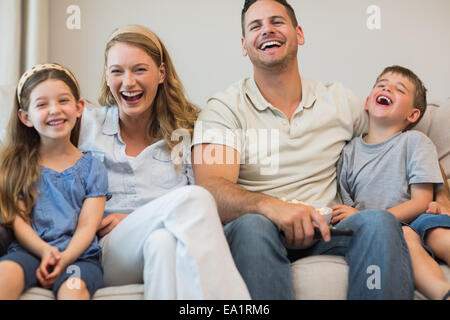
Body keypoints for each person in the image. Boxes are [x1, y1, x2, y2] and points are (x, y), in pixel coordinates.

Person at [192, 0, 414, 299]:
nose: (266, 30)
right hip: (257, 231)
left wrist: (440, 196)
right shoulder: (223, 108)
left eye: (277, 22)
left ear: (299, 34)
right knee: (253, 227)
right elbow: (211, 189)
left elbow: (397, 141)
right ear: (244, 45)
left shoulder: (340, 100)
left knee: (378, 221)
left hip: (327, 229)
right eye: (255, 26)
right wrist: (273, 207)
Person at [78, 25, 250, 299]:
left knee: (162, 242)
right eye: (117, 71)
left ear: (161, 73)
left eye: (139, 69)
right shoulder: (86, 126)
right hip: (108, 251)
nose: (128, 82)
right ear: (107, 76)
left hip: (165, 241)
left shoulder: (191, 131)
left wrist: (134, 219)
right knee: (193, 198)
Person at [334, 65, 450, 300]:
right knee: (407, 238)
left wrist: (372, 217)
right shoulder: (348, 153)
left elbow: (421, 201)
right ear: (367, 102)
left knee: (438, 233)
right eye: (382, 84)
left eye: (399, 89)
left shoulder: (415, 142)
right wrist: (356, 217)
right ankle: (443, 294)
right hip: (385, 231)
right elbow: (350, 206)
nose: (387, 88)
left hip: (420, 217)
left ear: (412, 115)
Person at [0, 64, 108, 299]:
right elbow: (17, 220)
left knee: (74, 290)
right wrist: (45, 250)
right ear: (26, 117)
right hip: (29, 251)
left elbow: (88, 226)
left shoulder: (94, 168)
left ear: (79, 108)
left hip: (78, 256)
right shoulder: (18, 165)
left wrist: (65, 257)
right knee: (4, 273)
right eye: (42, 104)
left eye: (63, 101)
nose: (54, 110)